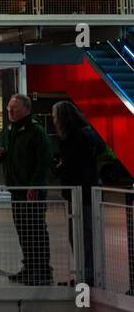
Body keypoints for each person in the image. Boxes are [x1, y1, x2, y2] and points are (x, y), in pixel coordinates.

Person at [0, 93, 53, 285]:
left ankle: (42, 270)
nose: (9, 111)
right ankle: (29, 267)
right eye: (9, 107)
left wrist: (34, 185)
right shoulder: (10, 130)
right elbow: (11, 156)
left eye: (14, 108)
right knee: (23, 230)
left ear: (26, 109)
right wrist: (0, 155)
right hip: (17, 189)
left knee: (35, 229)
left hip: (31, 190)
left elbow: (44, 161)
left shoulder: (36, 131)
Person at [51, 100, 104, 285]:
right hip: (84, 190)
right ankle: (84, 274)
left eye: (55, 117)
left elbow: (71, 166)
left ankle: (86, 276)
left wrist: (58, 167)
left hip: (79, 192)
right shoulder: (87, 134)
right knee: (82, 235)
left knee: (82, 235)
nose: (54, 120)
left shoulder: (74, 138)